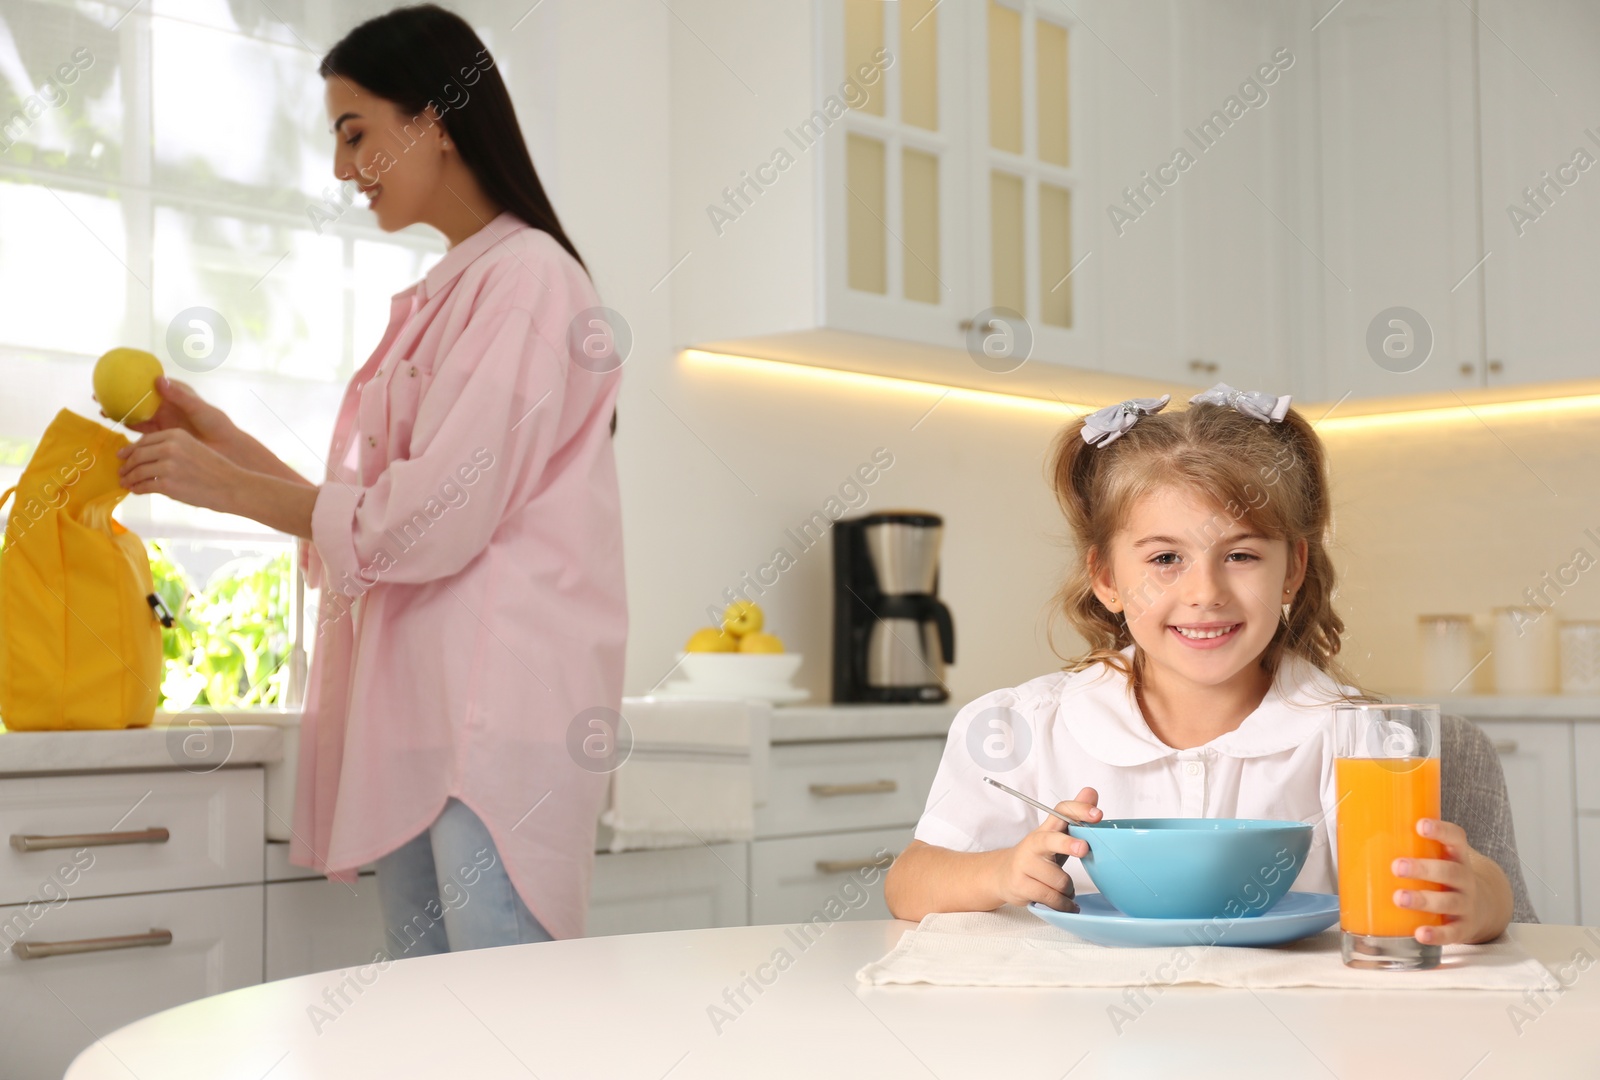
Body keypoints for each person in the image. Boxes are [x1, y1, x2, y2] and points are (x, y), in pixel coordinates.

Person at [113, 4, 625, 952]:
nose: (343, 168)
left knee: (503, 1033)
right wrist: (222, 445)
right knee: (429, 1026)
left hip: (492, 731)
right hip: (427, 728)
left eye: (356, 133)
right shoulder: (458, 288)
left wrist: (220, 487)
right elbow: (373, 514)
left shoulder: (529, 282)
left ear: (434, 119)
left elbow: (428, 518)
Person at [883, 384, 1514, 946]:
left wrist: (1484, 898)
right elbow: (909, 883)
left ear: (1292, 568)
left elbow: (1453, 885)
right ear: (1106, 576)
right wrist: (999, 870)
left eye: (1240, 556)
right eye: (1164, 559)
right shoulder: (1022, 728)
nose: (1204, 593)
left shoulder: (1360, 742)